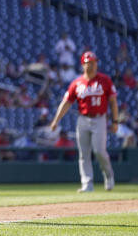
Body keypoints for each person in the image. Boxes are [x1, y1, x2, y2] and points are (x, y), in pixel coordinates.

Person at [50, 51, 118, 193]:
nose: (92, 65)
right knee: (83, 153)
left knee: (99, 151)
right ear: (83, 64)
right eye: (89, 62)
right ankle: (87, 184)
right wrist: (56, 120)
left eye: (94, 62)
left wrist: (115, 121)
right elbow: (66, 102)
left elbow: (113, 101)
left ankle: (108, 174)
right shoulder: (77, 83)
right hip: (83, 119)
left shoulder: (105, 80)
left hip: (100, 118)